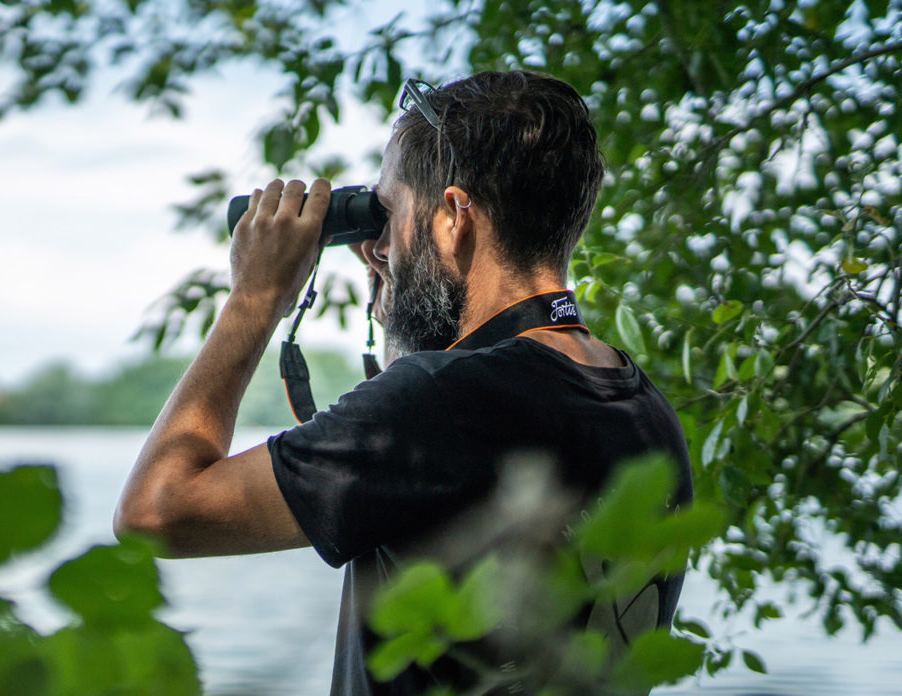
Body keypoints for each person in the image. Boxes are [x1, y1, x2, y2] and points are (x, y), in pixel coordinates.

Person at [114, 70, 692, 695]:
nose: (377, 246)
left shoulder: (446, 404)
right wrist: (401, 293)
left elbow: (155, 512)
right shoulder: (642, 409)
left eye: (388, 214)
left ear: (454, 216)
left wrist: (255, 298)